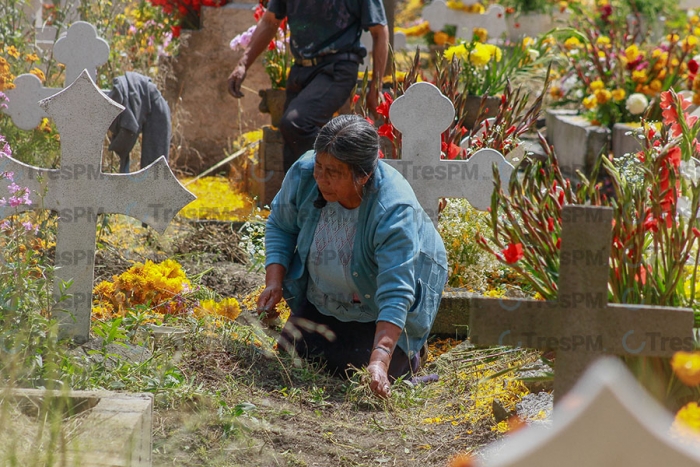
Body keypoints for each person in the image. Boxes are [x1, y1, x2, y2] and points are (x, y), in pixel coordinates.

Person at [257, 114, 448, 397]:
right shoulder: (304, 173)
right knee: (294, 354)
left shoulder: (393, 209)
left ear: (364, 174)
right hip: (323, 298)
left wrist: (380, 361)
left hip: (377, 305)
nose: (321, 178)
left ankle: (409, 351)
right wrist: (274, 282)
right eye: (319, 166)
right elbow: (280, 226)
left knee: (368, 371)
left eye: (333, 172)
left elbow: (396, 291)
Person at [228, 0, 389, 172]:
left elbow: (379, 32)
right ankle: (298, 197)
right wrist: (243, 64)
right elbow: (269, 21)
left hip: (337, 67)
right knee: (291, 144)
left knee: (297, 123)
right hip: (300, 69)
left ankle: (342, 177)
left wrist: (375, 88)